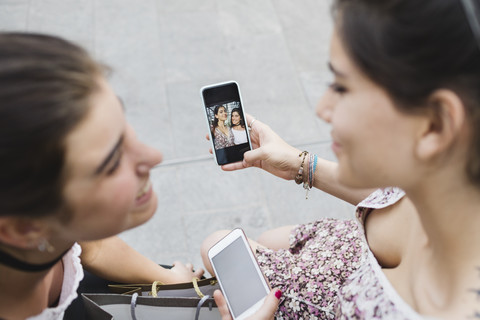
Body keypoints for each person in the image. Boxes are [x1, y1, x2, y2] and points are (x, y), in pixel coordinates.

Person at [203, 0, 480, 318]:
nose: (322, 108)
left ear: (436, 124)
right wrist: (300, 164)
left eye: (341, 87)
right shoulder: (442, 189)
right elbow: (385, 205)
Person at [0, 33, 204, 320]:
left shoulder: (46, 232)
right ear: (25, 228)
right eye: (111, 162)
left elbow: (87, 245)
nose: (154, 156)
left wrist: (166, 280)